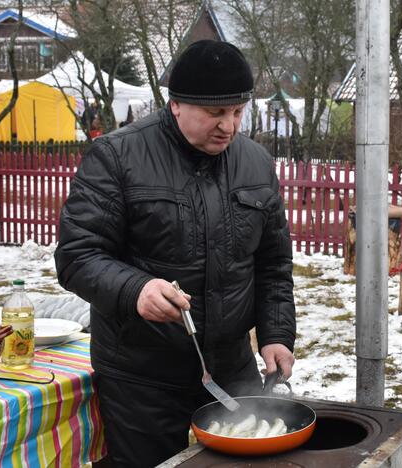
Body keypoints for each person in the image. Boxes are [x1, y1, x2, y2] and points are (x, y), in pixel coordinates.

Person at [55, 40, 296, 467]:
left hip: (231, 364)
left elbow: (272, 263)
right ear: (176, 104)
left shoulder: (256, 163)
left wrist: (276, 334)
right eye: (216, 114)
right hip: (141, 373)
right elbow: (77, 255)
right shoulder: (117, 156)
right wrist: (136, 288)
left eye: (238, 111)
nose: (230, 126)